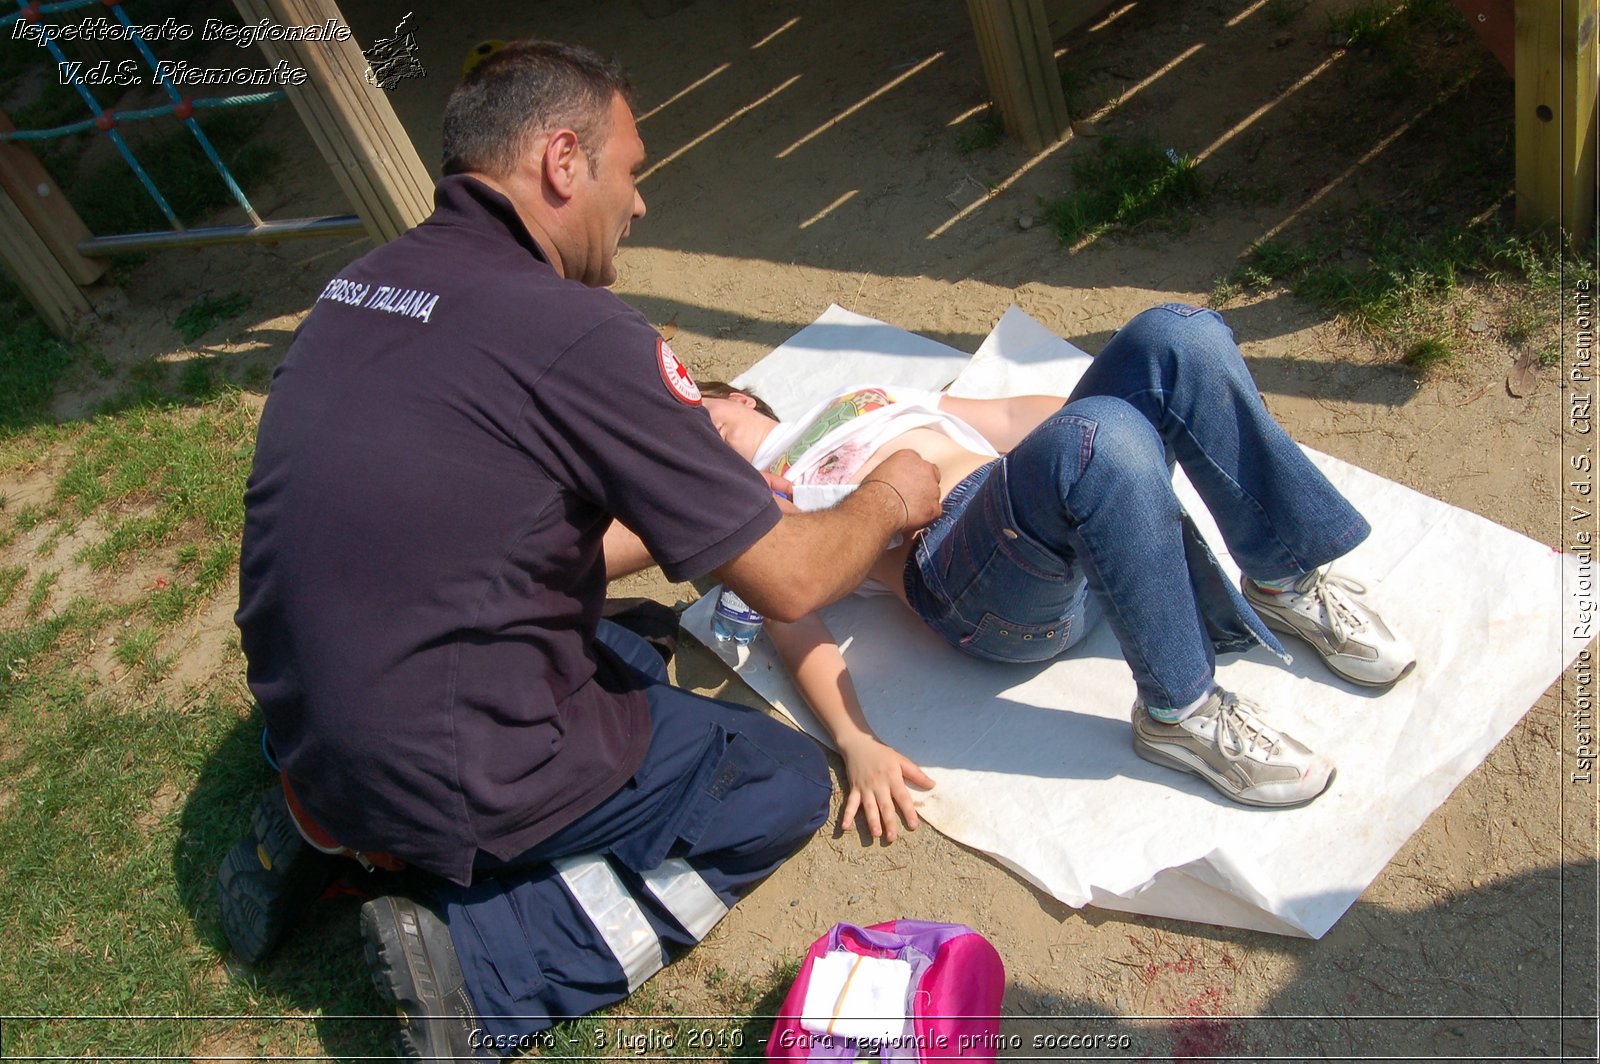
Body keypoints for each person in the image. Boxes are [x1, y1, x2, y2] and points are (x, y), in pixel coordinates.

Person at [218, 39, 941, 1059]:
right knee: (769, 781)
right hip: (435, 763)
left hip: (304, 714)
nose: (637, 203)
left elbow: (489, 537)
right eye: (631, 169)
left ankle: (320, 822)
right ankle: (485, 966)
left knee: (634, 639)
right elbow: (793, 575)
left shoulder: (363, 284)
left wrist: (683, 522)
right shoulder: (579, 334)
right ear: (564, 160)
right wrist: (888, 494)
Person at [698, 303, 1416, 840]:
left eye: (697, 421)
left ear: (738, 397)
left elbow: (1010, 415)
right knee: (1094, 436)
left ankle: (1282, 578)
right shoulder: (753, 507)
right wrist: (855, 739)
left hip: (1059, 491)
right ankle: (1179, 711)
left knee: (1176, 337)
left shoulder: (857, 401)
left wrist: (1128, 411)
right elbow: (791, 620)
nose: (690, 449)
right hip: (975, 582)